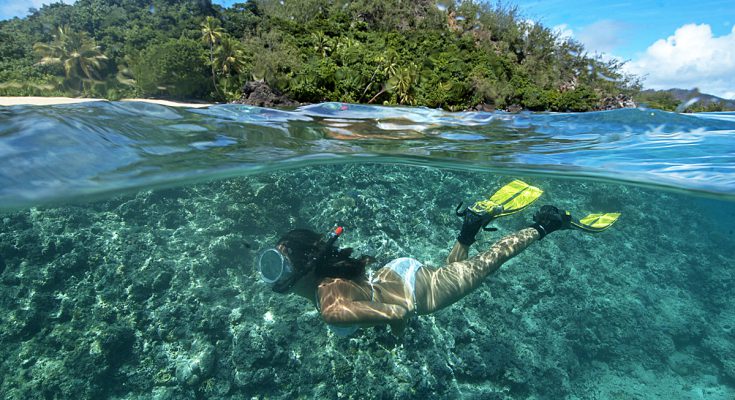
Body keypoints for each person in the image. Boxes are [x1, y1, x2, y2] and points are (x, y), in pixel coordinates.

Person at [258, 198, 576, 336]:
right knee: (449, 272)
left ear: (301, 269)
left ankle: (547, 225)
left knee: (488, 262)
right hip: (396, 272)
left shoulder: (330, 308)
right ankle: (469, 229)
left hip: (416, 293)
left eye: (277, 265)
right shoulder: (327, 281)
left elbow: (399, 312)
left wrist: (398, 335)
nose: (272, 274)